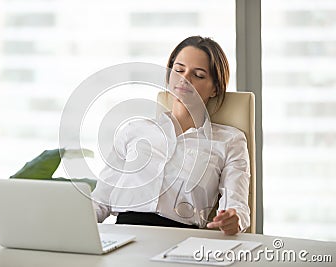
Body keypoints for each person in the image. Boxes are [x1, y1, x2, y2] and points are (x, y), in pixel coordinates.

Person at [92, 36, 250, 235]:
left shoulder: (229, 141)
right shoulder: (134, 130)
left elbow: (238, 208)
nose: (185, 79)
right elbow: (100, 201)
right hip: (123, 234)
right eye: (179, 70)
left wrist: (233, 219)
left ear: (215, 88)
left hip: (180, 238)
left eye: (198, 75)